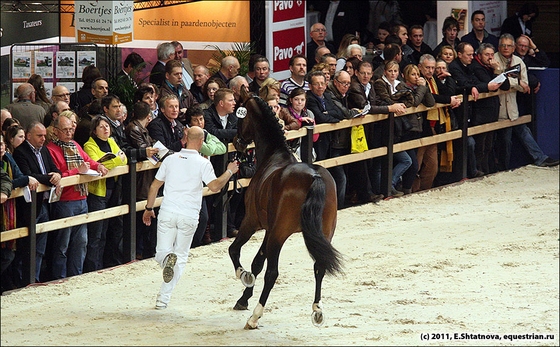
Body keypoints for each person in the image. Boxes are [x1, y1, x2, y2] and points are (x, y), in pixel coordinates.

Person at [142, 126, 239, 310]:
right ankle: (163, 299)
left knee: (161, 253)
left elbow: (154, 187)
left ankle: (165, 261)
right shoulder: (203, 163)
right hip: (189, 215)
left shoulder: (170, 159)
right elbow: (215, 186)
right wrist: (229, 171)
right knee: (181, 256)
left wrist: (148, 208)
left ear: (185, 138)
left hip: (168, 211)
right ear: (202, 142)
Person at [47, 113, 109, 279]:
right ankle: (60, 278)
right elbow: (58, 175)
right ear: (55, 131)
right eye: (65, 130)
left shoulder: (75, 145)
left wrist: (99, 166)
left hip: (82, 199)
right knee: (62, 245)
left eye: (71, 129)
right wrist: (77, 171)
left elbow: (88, 160)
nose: (69, 133)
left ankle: (76, 276)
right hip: (65, 201)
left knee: (81, 243)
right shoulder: (51, 150)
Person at [493, 33, 558, 169]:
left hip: (513, 106)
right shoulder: (493, 59)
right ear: (499, 47)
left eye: (509, 46)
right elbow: (498, 82)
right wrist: (516, 82)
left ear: (513, 47)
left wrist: (512, 82)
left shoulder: (518, 61)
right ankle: (502, 168)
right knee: (505, 139)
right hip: (496, 107)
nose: (506, 48)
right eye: (503, 45)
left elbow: (525, 85)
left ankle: (539, 158)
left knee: (521, 131)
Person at [347, 60, 406, 199]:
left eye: (368, 73)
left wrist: (393, 104)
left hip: (370, 130)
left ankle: (371, 191)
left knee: (370, 162)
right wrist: (389, 108)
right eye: (362, 73)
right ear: (356, 73)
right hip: (356, 130)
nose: (365, 76)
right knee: (361, 163)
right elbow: (365, 107)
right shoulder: (354, 86)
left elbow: (375, 102)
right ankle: (364, 194)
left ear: (372, 74)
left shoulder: (371, 85)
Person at [82, 115, 128, 272]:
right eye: (101, 127)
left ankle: (105, 264)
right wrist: (115, 159)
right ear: (94, 131)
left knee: (109, 230)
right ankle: (92, 268)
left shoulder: (112, 142)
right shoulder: (89, 146)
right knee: (96, 234)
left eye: (107, 126)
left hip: (113, 191)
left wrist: (112, 160)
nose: (106, 129)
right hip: (98, 194)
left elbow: (125, 159)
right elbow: (98, 165)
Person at [414, 55, 461, 192]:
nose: (430, 70)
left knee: (432, 166)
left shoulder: (434, 79)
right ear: (420, 67)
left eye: (432, 68)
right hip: (420, 126)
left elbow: (448, 92)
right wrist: (449, 100)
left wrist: (448, 78)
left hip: (433, 127)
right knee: (416, 165)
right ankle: (412, 192)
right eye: (427, 67)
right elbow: (430, 98)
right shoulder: (419, 80)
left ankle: (424, 191)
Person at [448, 42, 492, 178]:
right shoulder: (455, 67)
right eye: (468, 54)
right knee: (468, 143)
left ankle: (472, 171)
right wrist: (472, 87)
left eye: (473, 54)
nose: (472, 57)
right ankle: (466, 173)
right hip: (457, 113)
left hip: (470, 112)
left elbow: (473, 81)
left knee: (474, 142)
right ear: (459, 54)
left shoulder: (469, 66)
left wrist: (474, 86)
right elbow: (463, 83)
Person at [184, 105, 227, 248]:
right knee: (199, 217)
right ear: (190, 123)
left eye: (201, 119)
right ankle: (191, 245)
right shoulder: (190, 134)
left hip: (201, 180)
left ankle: (194, 245)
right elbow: (208, 149)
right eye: (196, 120)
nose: (200, 123)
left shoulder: (206, 133)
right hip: (188, 181)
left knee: (203, 217)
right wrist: (211, 145)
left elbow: (222, 148)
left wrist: (210, 143)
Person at [2, 131, 41, 286]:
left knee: (9, 254)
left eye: (1, 144)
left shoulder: (8, 158)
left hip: (10, 212)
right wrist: (25, 179)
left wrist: (22, 179)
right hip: (6, 211)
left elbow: (15, 177)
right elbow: (13, 181)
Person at [125, 102, 159, 258]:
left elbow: (153, 149)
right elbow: (147, 150)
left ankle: (145, 250)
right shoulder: (134, 129)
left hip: (147, 178)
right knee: (140, 220)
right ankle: (138, 252)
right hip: (139, 181)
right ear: (149, 115)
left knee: (147, 220)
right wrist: (154, 152)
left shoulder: (143, 129)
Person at [469, 43, 510, 174]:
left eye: (492, 55)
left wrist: (498, 70)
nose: (490, 58)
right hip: (481, 112)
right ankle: (478, 171)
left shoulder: (491, 67)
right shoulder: (477, 67)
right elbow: (491, 84)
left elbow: (505, 86)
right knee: (480, 146)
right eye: (487, 55)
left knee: (489, 145)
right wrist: (497, 71)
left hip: (492, 111)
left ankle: (486, 170)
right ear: (479, 55)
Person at [514, 34, 550, 115]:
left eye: (526, 46)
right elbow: (515, 74)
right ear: (515, 45)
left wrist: (534, 47)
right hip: (513, 94)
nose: (523, 48)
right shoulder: (511, 56)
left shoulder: (528, 57)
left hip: (527, 96)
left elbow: (546, 63)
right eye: (520, 45)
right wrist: (534, 80)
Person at [159, 59, 198, 125]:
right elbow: (175, 114)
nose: (180, 77)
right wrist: (188, 113)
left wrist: (186, 111)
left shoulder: (184, 90)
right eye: (176, 74)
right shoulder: (163, 93)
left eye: (181, 74)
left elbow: (196, 106)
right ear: (167, 76)